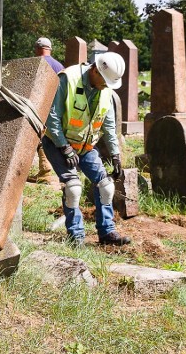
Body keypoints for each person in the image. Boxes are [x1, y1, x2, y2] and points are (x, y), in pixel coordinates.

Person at [41, 52, 131, 247]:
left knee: (106, 185)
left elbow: (108, 125)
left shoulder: (105, 89)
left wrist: (115, 155)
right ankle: (76, 236)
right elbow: (52, 115)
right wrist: (64, 147)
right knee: (73, 188)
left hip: (86, 146)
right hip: (58, 143)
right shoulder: (68, 78)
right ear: (95, 70)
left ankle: (107, 232)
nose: (107, 86)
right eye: (105, 81)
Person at [33, 37, 64, 185]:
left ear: (38, 48)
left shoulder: (36, 63)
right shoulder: (59, 66)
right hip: (57, 108)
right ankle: (54, 170)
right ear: (50, 49)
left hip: (40, 106)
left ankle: (45, 172)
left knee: (40, 138)